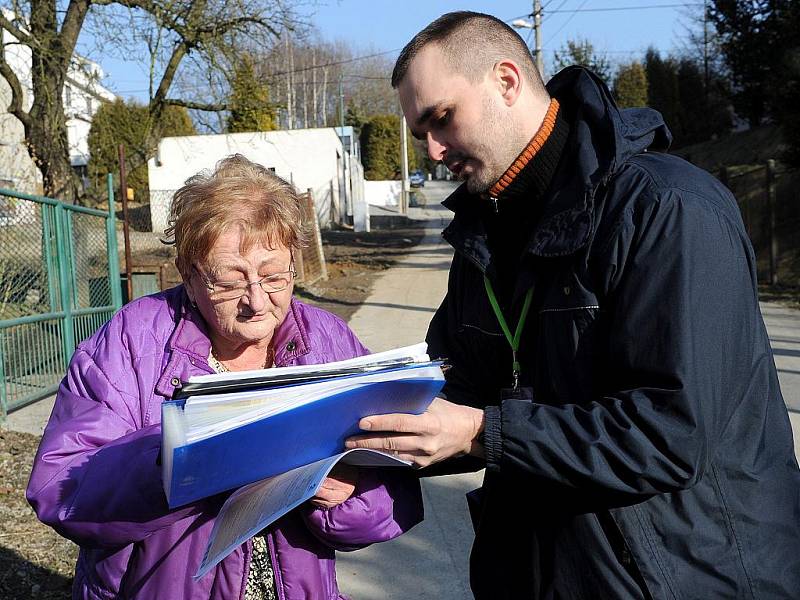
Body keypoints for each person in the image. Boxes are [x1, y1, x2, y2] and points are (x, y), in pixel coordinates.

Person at [346, 11, 800, 599]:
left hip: (683, 577)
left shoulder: (667, 209)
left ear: (507, 81)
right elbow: (451, 386)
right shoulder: (482, 237)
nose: (433, 150)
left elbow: (672, 431)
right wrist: (352, 441)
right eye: (420, 134)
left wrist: (486, 434)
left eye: (441, 118)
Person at [26, 154, 423, 599]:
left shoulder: (328, 339)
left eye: (274, 277)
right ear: (190, 275)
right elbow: (60, 489)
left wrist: (347, 497)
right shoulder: (130, 342)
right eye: (230, 283)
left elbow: (393, 492)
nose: (257, 301)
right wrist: (172, 464)